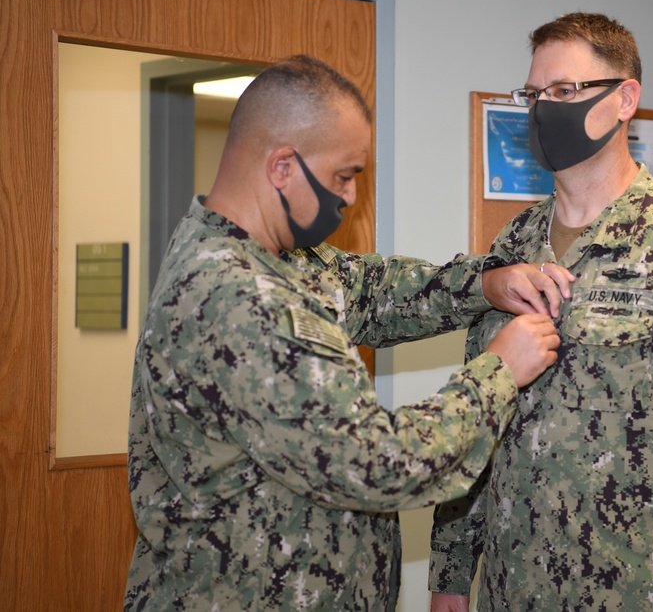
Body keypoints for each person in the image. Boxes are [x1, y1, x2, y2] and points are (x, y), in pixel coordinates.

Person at [124, 55, 574, 611]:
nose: (351, 198)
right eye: (343, 176)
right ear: (282, 167)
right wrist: (499, 373)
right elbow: (381, 464)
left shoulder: (274, 257)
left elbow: (371, 291)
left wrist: (484, 284)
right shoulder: (240, 299)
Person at [429, 13, 653, 611]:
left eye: (565, 91)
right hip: (511, 588)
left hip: (640, 591)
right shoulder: (512, 248)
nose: (544, 109)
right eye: (534, 94)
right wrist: (449, 576)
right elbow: (481, 417)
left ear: (625, 99)